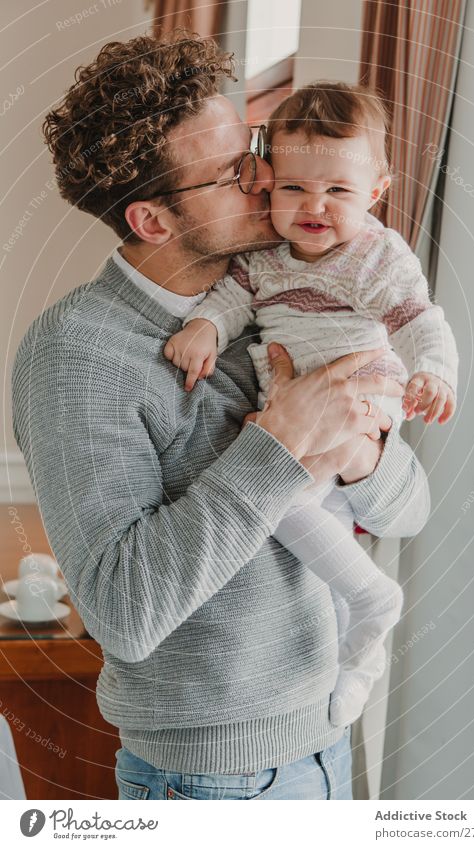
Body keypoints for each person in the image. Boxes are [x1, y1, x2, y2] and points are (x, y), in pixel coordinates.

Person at [12, 31, 430, 800]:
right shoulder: (76, 356)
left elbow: (408, 510)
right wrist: (280, 443)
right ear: (153, 222)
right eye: (236, 173)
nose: (269, 178)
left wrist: (362, 455)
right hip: (214, 778)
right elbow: (124, 614)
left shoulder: (278, 299)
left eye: (256, 152)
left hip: (323, 744)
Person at [164, 82, 458, 728]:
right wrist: (206, 329)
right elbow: (232, 300)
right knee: (304, 536)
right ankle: (353, 652)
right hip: (296, 406)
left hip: (363, 392)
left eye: (338, 191)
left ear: (375, 192)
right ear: (268, 185)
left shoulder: (374, 255)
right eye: (294, 188)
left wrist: (433, 370)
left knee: (280, 500)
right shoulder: (263, 259)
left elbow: (417, 320)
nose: (314, 206)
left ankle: (374, 600)